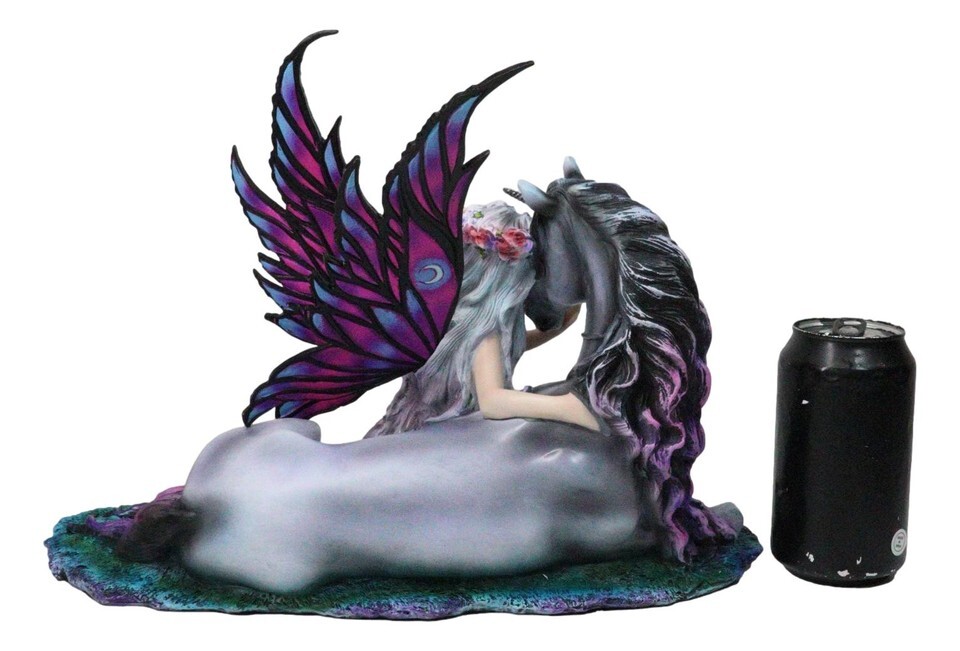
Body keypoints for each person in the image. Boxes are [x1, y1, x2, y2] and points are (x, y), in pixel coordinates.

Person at [365, 200, 598, 437]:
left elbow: (481, 358)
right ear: (510, 275)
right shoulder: (484, 327)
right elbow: (493, 401)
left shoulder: (449, 316)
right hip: (447, 440)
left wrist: (551, 332)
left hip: (409, 428)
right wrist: (569, 407)